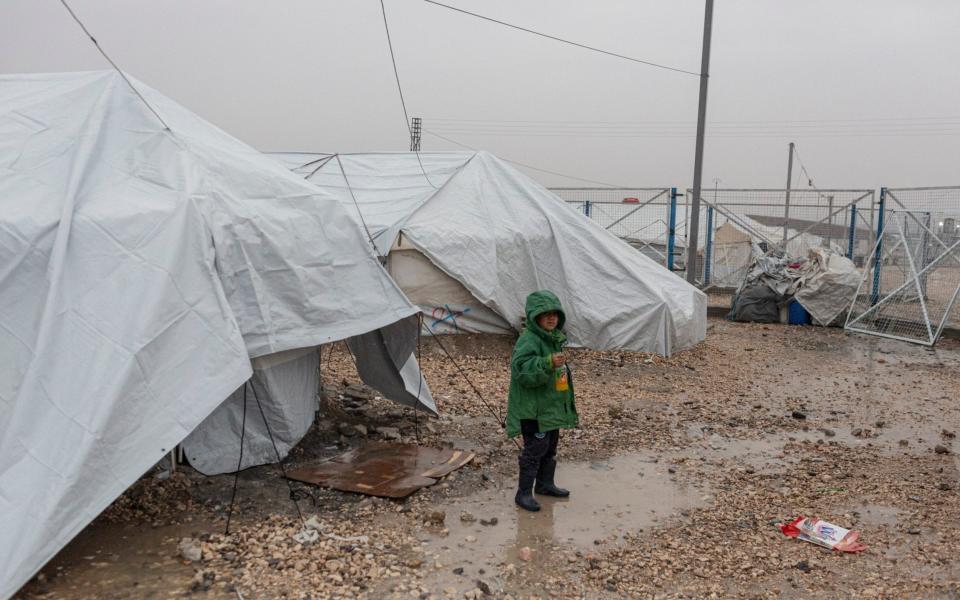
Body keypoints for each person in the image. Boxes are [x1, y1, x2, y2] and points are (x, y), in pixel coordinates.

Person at [506, 290, 579, 512]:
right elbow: (521, 371)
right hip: (532, 410)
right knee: (534, 450)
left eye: (555, 314)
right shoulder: (528, 340)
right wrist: (547, 362)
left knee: (549, 447)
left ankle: (545, 485)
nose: (551, 318)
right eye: (545, 314)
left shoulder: (553, 338)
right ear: (534, 317)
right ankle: (523, 493)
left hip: (549, 408)